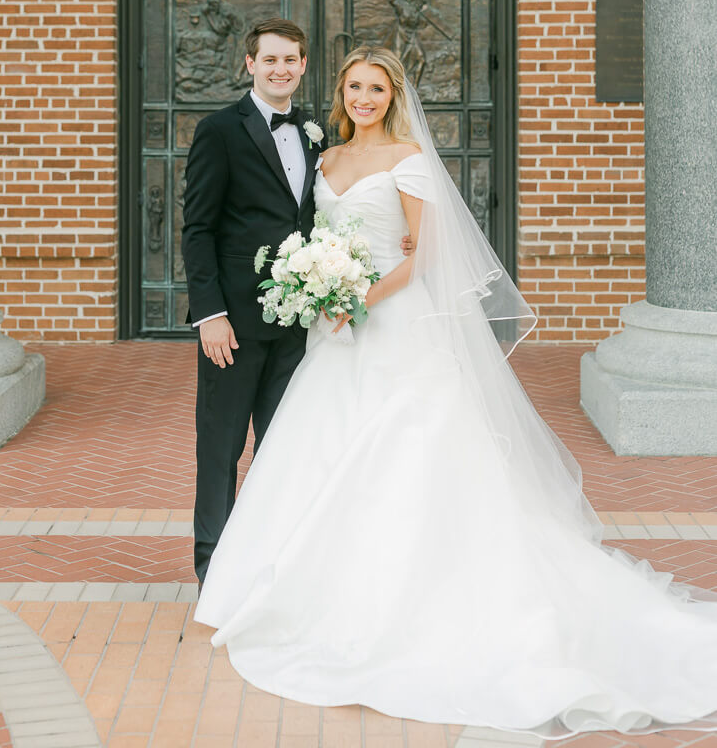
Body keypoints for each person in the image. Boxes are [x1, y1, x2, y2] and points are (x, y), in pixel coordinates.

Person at [195, 45, 717, 738]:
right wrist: (315, 286)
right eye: (354, 86)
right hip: (331, 335)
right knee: (316, 453)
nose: (363, 98)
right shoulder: (324, 156)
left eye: (376, 88)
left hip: (391, 324)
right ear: (340, 93)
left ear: (394, 94)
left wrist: (358, 301)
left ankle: (416, 600)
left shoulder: (409, 160)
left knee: (408, 454)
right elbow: (308, 233)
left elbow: (424, 255)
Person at [181, 21, 413, 588]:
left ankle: (272, 556)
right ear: (249, 64)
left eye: (292, 60)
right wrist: (209, 315)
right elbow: (198, 228)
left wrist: (407, 240)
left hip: (303, 324)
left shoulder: (316, 138)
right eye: (270, 60)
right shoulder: (218, 131)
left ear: (304, 66)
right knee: (222, 446)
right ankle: (214, 566)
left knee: (286, 447)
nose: (281, 69)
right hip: (234, 323)